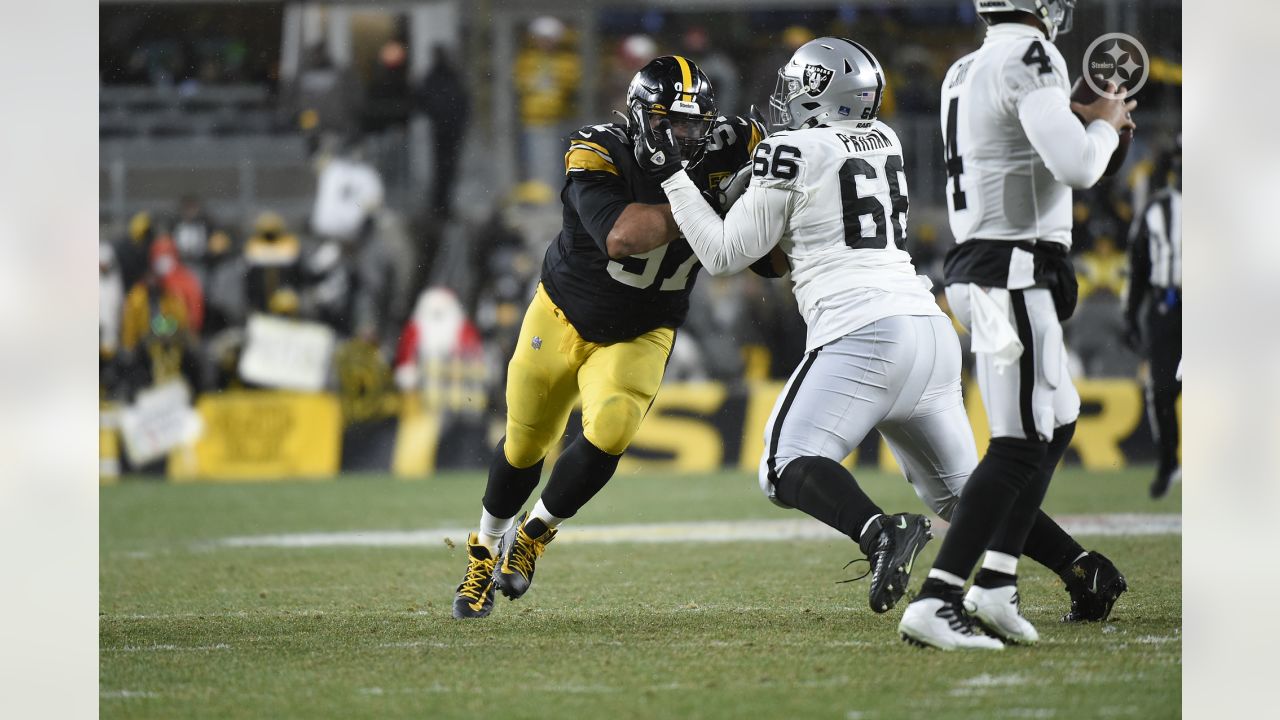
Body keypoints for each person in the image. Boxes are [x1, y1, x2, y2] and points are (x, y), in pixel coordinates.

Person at [452, 56, 767, 619]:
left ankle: (534, 534)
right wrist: (711, 205)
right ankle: (483, 549)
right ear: (643, 117)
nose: (688, 137)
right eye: (673, 123)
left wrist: (766, 210)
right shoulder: (597, 148)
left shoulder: (734, 147)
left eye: (696, 124)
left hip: (643, 327)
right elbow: (620, 238)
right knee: (524, 445)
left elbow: (769, 262)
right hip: (562, 313)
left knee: (614, 428)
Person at [659, 37, 963, 615]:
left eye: (799, 87)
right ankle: (1080, 567)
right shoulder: (886, 137)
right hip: (928, 323)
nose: (787, 99)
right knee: (961, 493)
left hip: (863, 329)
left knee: (782, 464)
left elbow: (725, 254)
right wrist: (746, 171)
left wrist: (676, 177)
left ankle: (878, 531)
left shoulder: (790, 148)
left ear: (825, 94)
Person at [898, 0, 1135, 649]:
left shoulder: (966, 67)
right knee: (1021, 439)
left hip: (990, 266)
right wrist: (1108, 124)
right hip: (1012, 271)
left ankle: (996, 582)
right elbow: (1080, 167)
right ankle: (940, 596)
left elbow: (1019, 150)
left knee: (1055, 417)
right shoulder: (1031, 54)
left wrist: (1081, 119)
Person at [1125, 137, 1181, 498]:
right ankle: (1167, 461)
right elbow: (1139, 266)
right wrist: (1131, 313)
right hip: (1168, 307)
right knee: (1161, 391)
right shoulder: (1158, 209)